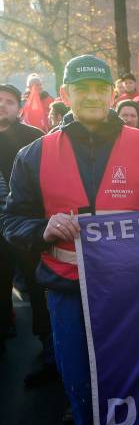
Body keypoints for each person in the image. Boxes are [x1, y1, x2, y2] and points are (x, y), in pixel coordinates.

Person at [1, 55, 139, 425]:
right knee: (86, 398)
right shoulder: (33, 155)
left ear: (111, 93)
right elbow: (13, 220)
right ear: (65, 94)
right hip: (69, 294)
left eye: (98, 88)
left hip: (137, 297)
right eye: (80, 89)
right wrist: (42, 230)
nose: (90, 96)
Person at [0, 83, 51, 379]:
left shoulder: (34, 140)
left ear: (18, 108)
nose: (2, 105)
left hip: (26, 228)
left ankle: (48, 349)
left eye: (8, 101)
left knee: (36, 286)